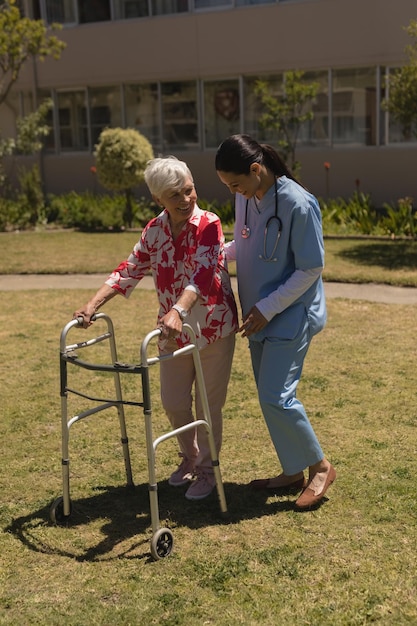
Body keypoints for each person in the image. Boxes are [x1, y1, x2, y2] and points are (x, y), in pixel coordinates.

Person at [74, 156, 238, 501]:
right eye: (174, 195)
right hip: (172, 331)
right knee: (174, 401)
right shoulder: (154, 229)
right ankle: (190, 458)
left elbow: (204, 274)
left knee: (208, 404)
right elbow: (129, 269)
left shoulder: (209, 223)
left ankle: (208, 471)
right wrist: (93, 304)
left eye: (189, 190)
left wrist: (179, 309)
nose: (185, 200)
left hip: (211, 326)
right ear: (158, 199)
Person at [215, 134, 336, 511]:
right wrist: (217, 254)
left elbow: (311, 268)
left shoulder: (299, 204)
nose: (233, 191)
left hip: (289, 314)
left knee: (277, 397)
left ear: (256, 169)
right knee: (270, 401)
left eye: (235, 183)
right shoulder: (246, 195)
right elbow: (245, 242)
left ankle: (320, 467)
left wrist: (268, 307)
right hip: (258, 316)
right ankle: (292, 470)